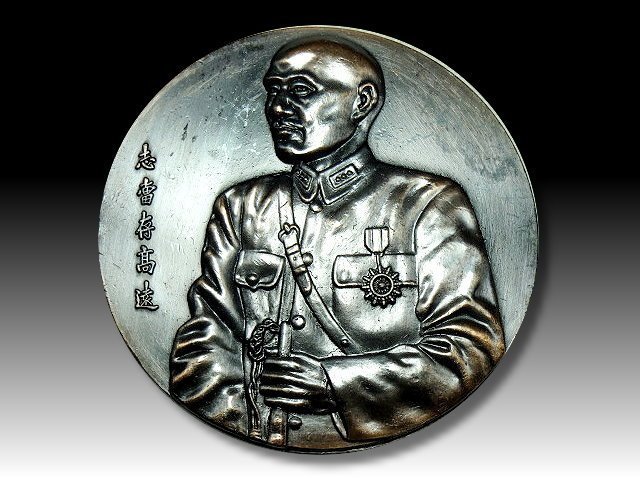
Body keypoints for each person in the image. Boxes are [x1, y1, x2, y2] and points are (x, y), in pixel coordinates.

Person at [169, 36, 505, 451]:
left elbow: (471, 348)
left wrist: (336, 385)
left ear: (362, 103)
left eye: (300, 91)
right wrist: (240, 434)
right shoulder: (242, 207)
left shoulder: (427, 205)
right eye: (273, 91)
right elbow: (206, 340)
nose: (277, 108)